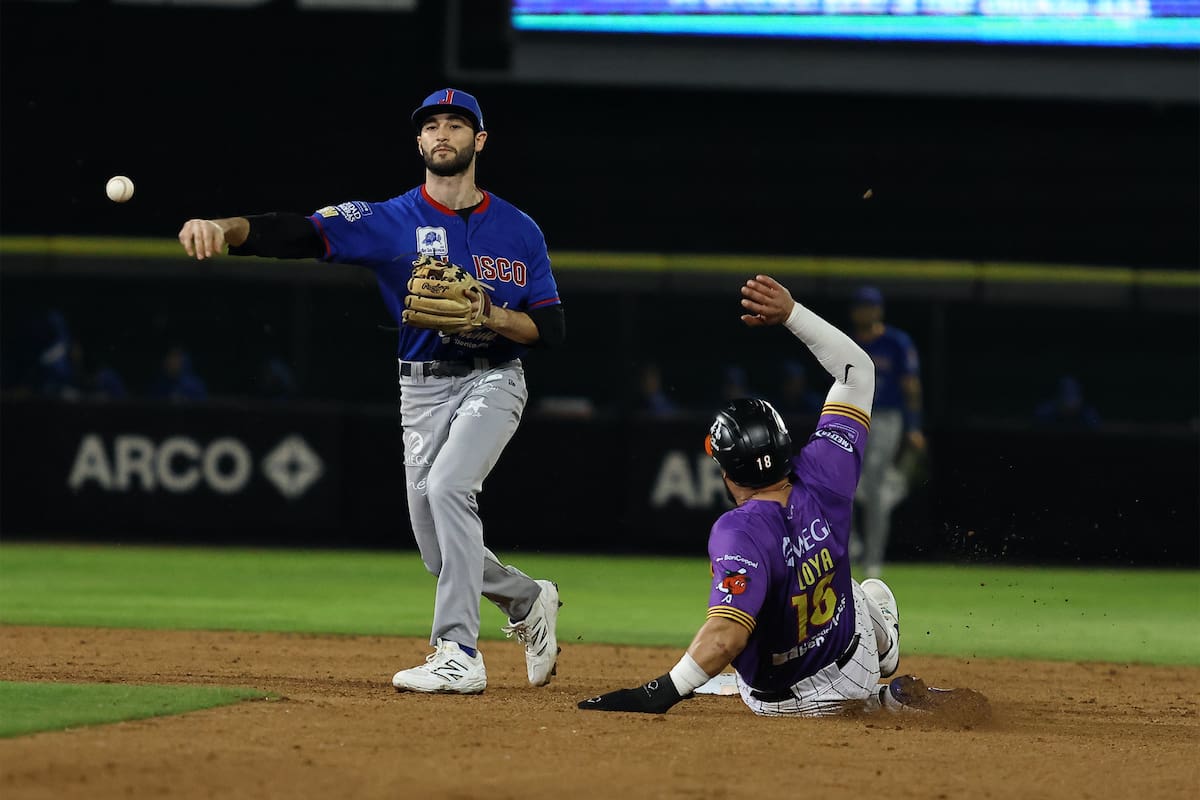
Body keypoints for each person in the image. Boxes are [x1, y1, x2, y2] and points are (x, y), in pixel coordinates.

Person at [178, 88, 565, 694]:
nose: (442, 133)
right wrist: (222, 229)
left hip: (494, 378)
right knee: (441, 556)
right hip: (421, 390)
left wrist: (490, 314)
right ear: (419, 143)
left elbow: (551, 331)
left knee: (449, 486)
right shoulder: (390, 220)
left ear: (479, 141)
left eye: (456, 125)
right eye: (431, 126)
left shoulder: (519, 230)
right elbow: (298, 232)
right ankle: (526, 599)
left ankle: (458, 651)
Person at [578, 275, 978, 717]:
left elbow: (725, 638)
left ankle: (875, 704)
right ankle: (879, 676)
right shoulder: (826, 469)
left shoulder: (738, 530)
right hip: (853, 658)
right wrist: (791, 314)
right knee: (869, 591)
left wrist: (655, 693)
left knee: (759, 611)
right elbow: (857, 371)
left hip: (783, 705)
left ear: (727, 469)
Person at [848, 287, 924, 578]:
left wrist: (914, 425)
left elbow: (911, 386)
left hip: (887, 418)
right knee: (845, 481)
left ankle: (873, 559)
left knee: (876, 482)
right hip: (854, 415)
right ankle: (851, 544)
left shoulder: (896, 342)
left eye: (870, 306)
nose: (865, 311)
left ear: (878, 310)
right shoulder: (849, 343)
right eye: (861, 306)